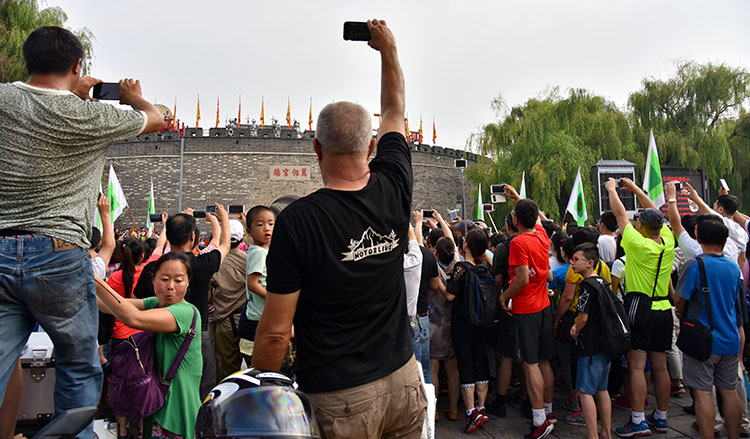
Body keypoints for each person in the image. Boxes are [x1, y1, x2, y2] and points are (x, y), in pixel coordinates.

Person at [251, 19, 427, 439]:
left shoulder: (297, 221)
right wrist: (389, 50)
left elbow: (276, 332)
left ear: (316, 148)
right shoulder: (395, 186)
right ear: (370, 146)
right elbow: (396, 109)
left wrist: (258, 397)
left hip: (342, 397)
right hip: (404, 379)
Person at [0, 26, 163, 439]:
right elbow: (157, 118)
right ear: (77, 66)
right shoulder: (90, 116)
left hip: (1, 247)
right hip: (59, 254)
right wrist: (132, 95)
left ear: (28, 61)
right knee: (77, 363)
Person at [95, 252, 202, 439]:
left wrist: (94, 279)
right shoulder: (158, 304)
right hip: (158, 402)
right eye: (165, 279)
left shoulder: (185, 312)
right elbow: (110, 305)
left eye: (178, 280)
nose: (170, 287)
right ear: (153, 279)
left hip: (176, 407)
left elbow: (133, 318)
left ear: (188, 282)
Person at [133, 206, 231, 397]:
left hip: (157, 335)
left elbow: (137, 301)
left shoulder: (155, 269)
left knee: (158, 383)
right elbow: (224, 245)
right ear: (193, 238)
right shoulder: (202, 264)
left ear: (168, 237)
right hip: (196, 336)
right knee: (201, 386)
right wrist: (221, 220)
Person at [605, 178, 675, 437]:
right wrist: (635, 190)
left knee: (636, 365)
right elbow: (656, 217)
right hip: (663, 309)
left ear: (641, 225)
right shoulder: (667, 241)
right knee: (660, 366)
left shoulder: (636, 243)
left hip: (640, 307)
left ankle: (637, 419)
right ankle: (662, 416)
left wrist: (612, 189)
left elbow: (620, 214)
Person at [675, 216, 745, 439]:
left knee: (704, 392)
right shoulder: (734, 268)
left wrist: (681, 310)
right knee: (729, 390)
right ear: (725, 242)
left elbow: (680, 299)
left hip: (703, 340)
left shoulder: (694, 265)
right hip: (730, 339)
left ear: (698, 237)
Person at [499, 185, 556, 439]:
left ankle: (539, 421)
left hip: (526, 309)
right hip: (544, 305)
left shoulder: (518, 242)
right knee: (544, 361)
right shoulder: (542, 236)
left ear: (515, 220)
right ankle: (548, 410)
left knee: (530, 364)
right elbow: (538, 217)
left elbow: (521, 278)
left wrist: (504, 296)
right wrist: (520, 199)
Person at [444, 229, 494, 433]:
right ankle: (482, 408)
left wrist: (439, 282)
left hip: (463, 323)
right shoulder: (486, 268)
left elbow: (450, 295)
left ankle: (471, 411)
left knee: (465, 364)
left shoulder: (461, 268)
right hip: (484, 322)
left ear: (467, 246)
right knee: (481, 361)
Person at [569, 243, 612, 439]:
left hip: (591, 344)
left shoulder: (586, 285)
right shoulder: (603, 282)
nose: (573, 263)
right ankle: (606, 432)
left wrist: (576, 329)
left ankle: (592, 435)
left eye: (577, 259)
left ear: (590, 263)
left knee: (585, 392)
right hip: (606, 343)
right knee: (602, 390)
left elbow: (583, 316)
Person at [209, 219, 248, 381]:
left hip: (224, 322)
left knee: (226, 371)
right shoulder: (249, 260)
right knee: (254, 368)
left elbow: (208, 294)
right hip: (247, 320)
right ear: (241, 239)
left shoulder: (215, 261)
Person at [242, 206, 275, 354]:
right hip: (260, 314)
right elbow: (253, 283)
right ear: (249, 231)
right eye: (260, 225)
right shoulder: (260, 253)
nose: (266, 229)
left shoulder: (260, 250)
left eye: (271, 224)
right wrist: (274, 297)